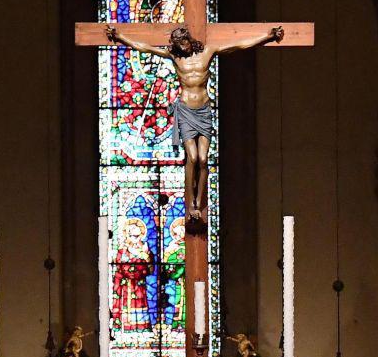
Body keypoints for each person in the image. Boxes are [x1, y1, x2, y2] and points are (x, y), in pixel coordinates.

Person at [104, 22, 284, 228]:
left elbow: (239, 45)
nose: (184, 48)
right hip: (186, 112)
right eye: (179, 45)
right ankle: (192, 204)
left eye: (185, 43)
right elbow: (145, 47)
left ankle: (200, 200)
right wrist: (120, 37)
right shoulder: (175, 56)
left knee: (204, 159)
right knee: (193, 157)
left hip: (203, 112)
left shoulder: (208, 51)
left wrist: (267, 37)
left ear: (189, 40)